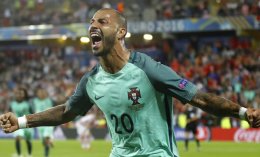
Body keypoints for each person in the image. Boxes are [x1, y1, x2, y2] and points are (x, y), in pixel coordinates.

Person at [1, 8, 260, 157]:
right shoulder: (91, 81)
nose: (93, 26)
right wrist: (22, 122)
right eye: (91, 22)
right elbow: (67, 111)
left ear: (121, 32)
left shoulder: (149, 70)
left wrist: (242, 112)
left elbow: (200, 98)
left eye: (102, 21)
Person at [9, 87, 33, 157]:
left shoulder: (28, 104)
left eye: (21, 93)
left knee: (28, 140)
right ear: (16, 95)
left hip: (27, 124)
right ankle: (19, 155)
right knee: (18, 137)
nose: (19, 95)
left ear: (24, 95)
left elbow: (33, 113)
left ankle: (29, 154)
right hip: (17, 124)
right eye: (18, 93)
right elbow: (9, 113)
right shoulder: (12, 104)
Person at [32, 88, 54, 157]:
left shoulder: (48, 101)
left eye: (42, 92)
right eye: (39, 93)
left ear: (45, 93)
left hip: (48, 122)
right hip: (40, 123)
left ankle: (46, 154)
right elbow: (34, 110)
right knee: (43, 141)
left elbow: (50, 110)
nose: (41, 94)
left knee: (46, 137)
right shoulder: (35, 101)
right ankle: (49, 141)